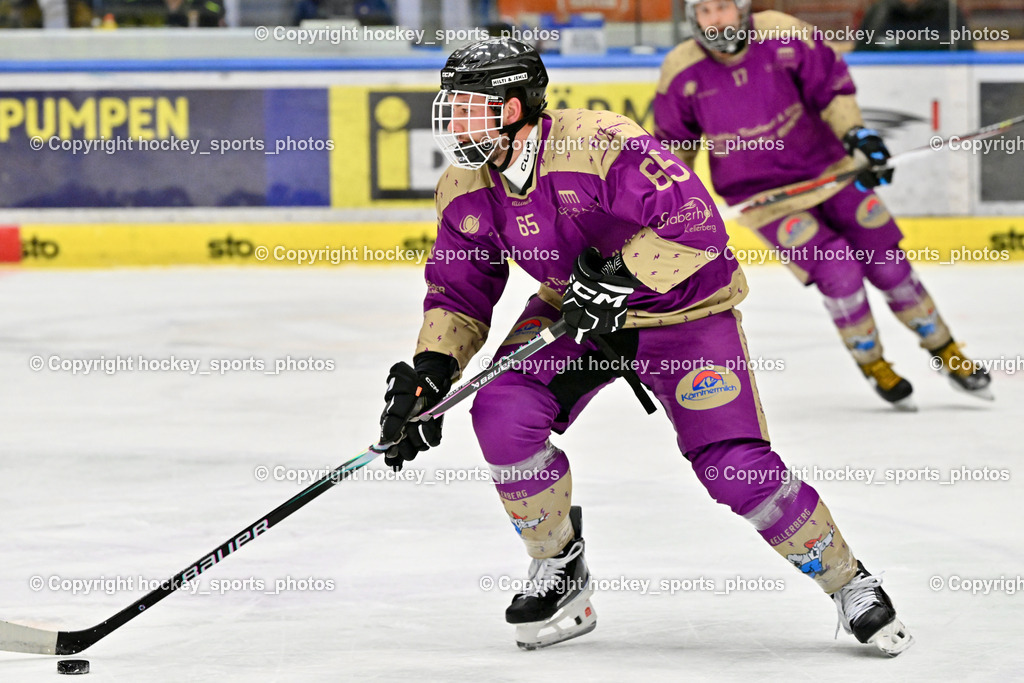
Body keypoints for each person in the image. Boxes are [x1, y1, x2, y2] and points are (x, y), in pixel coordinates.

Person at [378, 36, 913, 656]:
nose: (457, 120)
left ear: (521, 105)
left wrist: (620, 276)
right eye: (454, 104)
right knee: (500, 410)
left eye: (476, 106)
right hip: (575, 317)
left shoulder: (601, 143)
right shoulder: (465, 189)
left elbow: (697, 223)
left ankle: (851, 584)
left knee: (731, 467)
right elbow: (459, 294)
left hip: (683, 313)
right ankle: (559, 566)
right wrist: (430, 371)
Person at [654, 0, 992, 410]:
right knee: (839, 272)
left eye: (723, 7)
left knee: (888, 264)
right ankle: (873, 363)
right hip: (766, 201)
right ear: (693, 19)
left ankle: (947, 350)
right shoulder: (681, 70)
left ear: (742, 9)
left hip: (831, 171)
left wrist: (857, 137)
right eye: (705, 11)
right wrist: (672, 206)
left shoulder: (783, 33)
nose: (716, 19)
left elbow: (832, 89)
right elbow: (674, 149)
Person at [855, 0, 974, 52]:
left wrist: (896, 44)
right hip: (886, 84)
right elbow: (861, 51)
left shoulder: (948, 11)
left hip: (939, 83)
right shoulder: (879, 12)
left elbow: (965, 47)